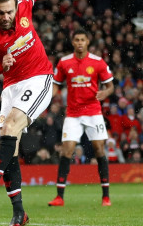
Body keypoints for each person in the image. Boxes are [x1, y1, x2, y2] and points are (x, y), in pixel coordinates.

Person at [0, 0, 80, 226]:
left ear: (16, 6)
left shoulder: (25, 6)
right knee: (10, 143)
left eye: (10, 11)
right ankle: (19, 214)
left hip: (39, 78)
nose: (6, 17)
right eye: (0, 12)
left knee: (11, 127)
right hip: (10, 87)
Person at [48, 29, 114, 207]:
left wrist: (105, 92)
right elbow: (56, 85)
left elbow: (110, 86)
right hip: (73, 113)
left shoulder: (98, 62)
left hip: (93, 111)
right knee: (66, 150)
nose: (79, 43)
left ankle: (105, 196)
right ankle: (59, 197)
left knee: (99, 150)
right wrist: (46, 100)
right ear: (72, 42)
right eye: (76, 39)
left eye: (82, 40)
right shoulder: (64, 62)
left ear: (87, 42)